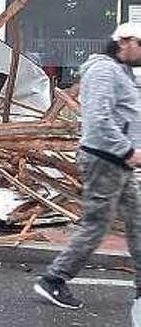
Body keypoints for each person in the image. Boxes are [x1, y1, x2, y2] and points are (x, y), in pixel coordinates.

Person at [35, 22, 141, 309]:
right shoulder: (103, 70)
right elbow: (98, 119)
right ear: (125, 42)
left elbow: (124, 114)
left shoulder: (121, 71)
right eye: (140, 45)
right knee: (97, 225)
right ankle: (53, 280)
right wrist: (127, 149)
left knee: (137, 221)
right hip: (104, 159)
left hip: (117, 162)